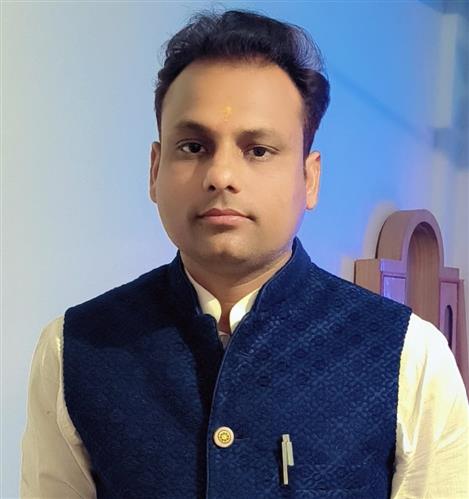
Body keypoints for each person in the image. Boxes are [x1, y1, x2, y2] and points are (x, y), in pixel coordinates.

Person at [20, 8, 469, 499]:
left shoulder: (410, 357)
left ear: (309, 178)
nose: (221, 176)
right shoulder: (74, 348)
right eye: (193, 147)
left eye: (257, 150)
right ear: (155, 169)